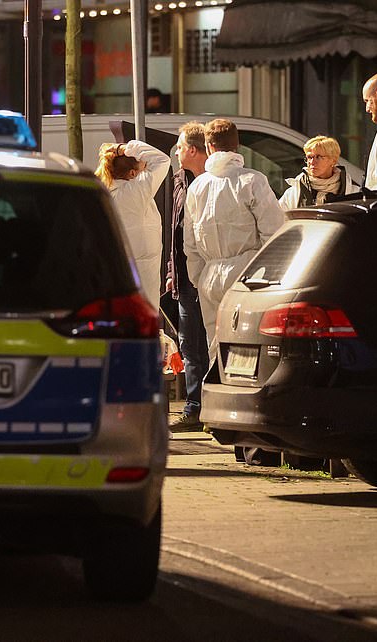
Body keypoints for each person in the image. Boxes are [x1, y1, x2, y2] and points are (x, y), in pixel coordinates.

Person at [183, 118, 284, 346]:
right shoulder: (252, 181)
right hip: (247, 275)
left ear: (208, 147)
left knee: (215, 347)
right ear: (237, 146)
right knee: (249, 345)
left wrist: (199, 278)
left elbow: (189, 243)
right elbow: (274, 234)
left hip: (209, 276)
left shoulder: (197, 187)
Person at [166, 122, 210, 431]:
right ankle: (195, 407)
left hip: (209, 275)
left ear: (193, 150)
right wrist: (172, 271)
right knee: (190, 345)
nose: (177, 152)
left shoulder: (212, 182)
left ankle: (207, 406)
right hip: (184, 277)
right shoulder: (179, 181)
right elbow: (175, 231)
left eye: (180, 147)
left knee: (209, 343)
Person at [95, 139, 171, 309]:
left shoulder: (102, 194)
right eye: (142, 168)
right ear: (132, 174)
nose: (145, 170)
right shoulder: (136, 190)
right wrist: (124, 148)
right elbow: (162, 160)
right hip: (143, 272)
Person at [279, 135, 358, 209]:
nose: (312, 162)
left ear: (333, 160)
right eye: (309, 157)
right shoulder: (293, 193)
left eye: (318, 157)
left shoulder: (353, 193)